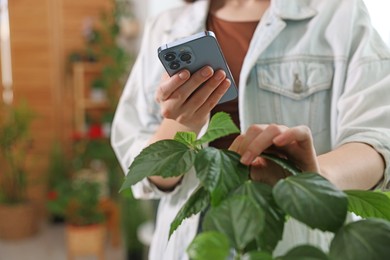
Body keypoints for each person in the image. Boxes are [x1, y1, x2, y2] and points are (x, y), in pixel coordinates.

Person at [111, 0, 390, 259]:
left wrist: (315, 176)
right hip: (190, 243)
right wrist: (183, 123)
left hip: (295, 237)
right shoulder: (165, 26)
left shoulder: (339, 12)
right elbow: (144, 172)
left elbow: (378, 139)